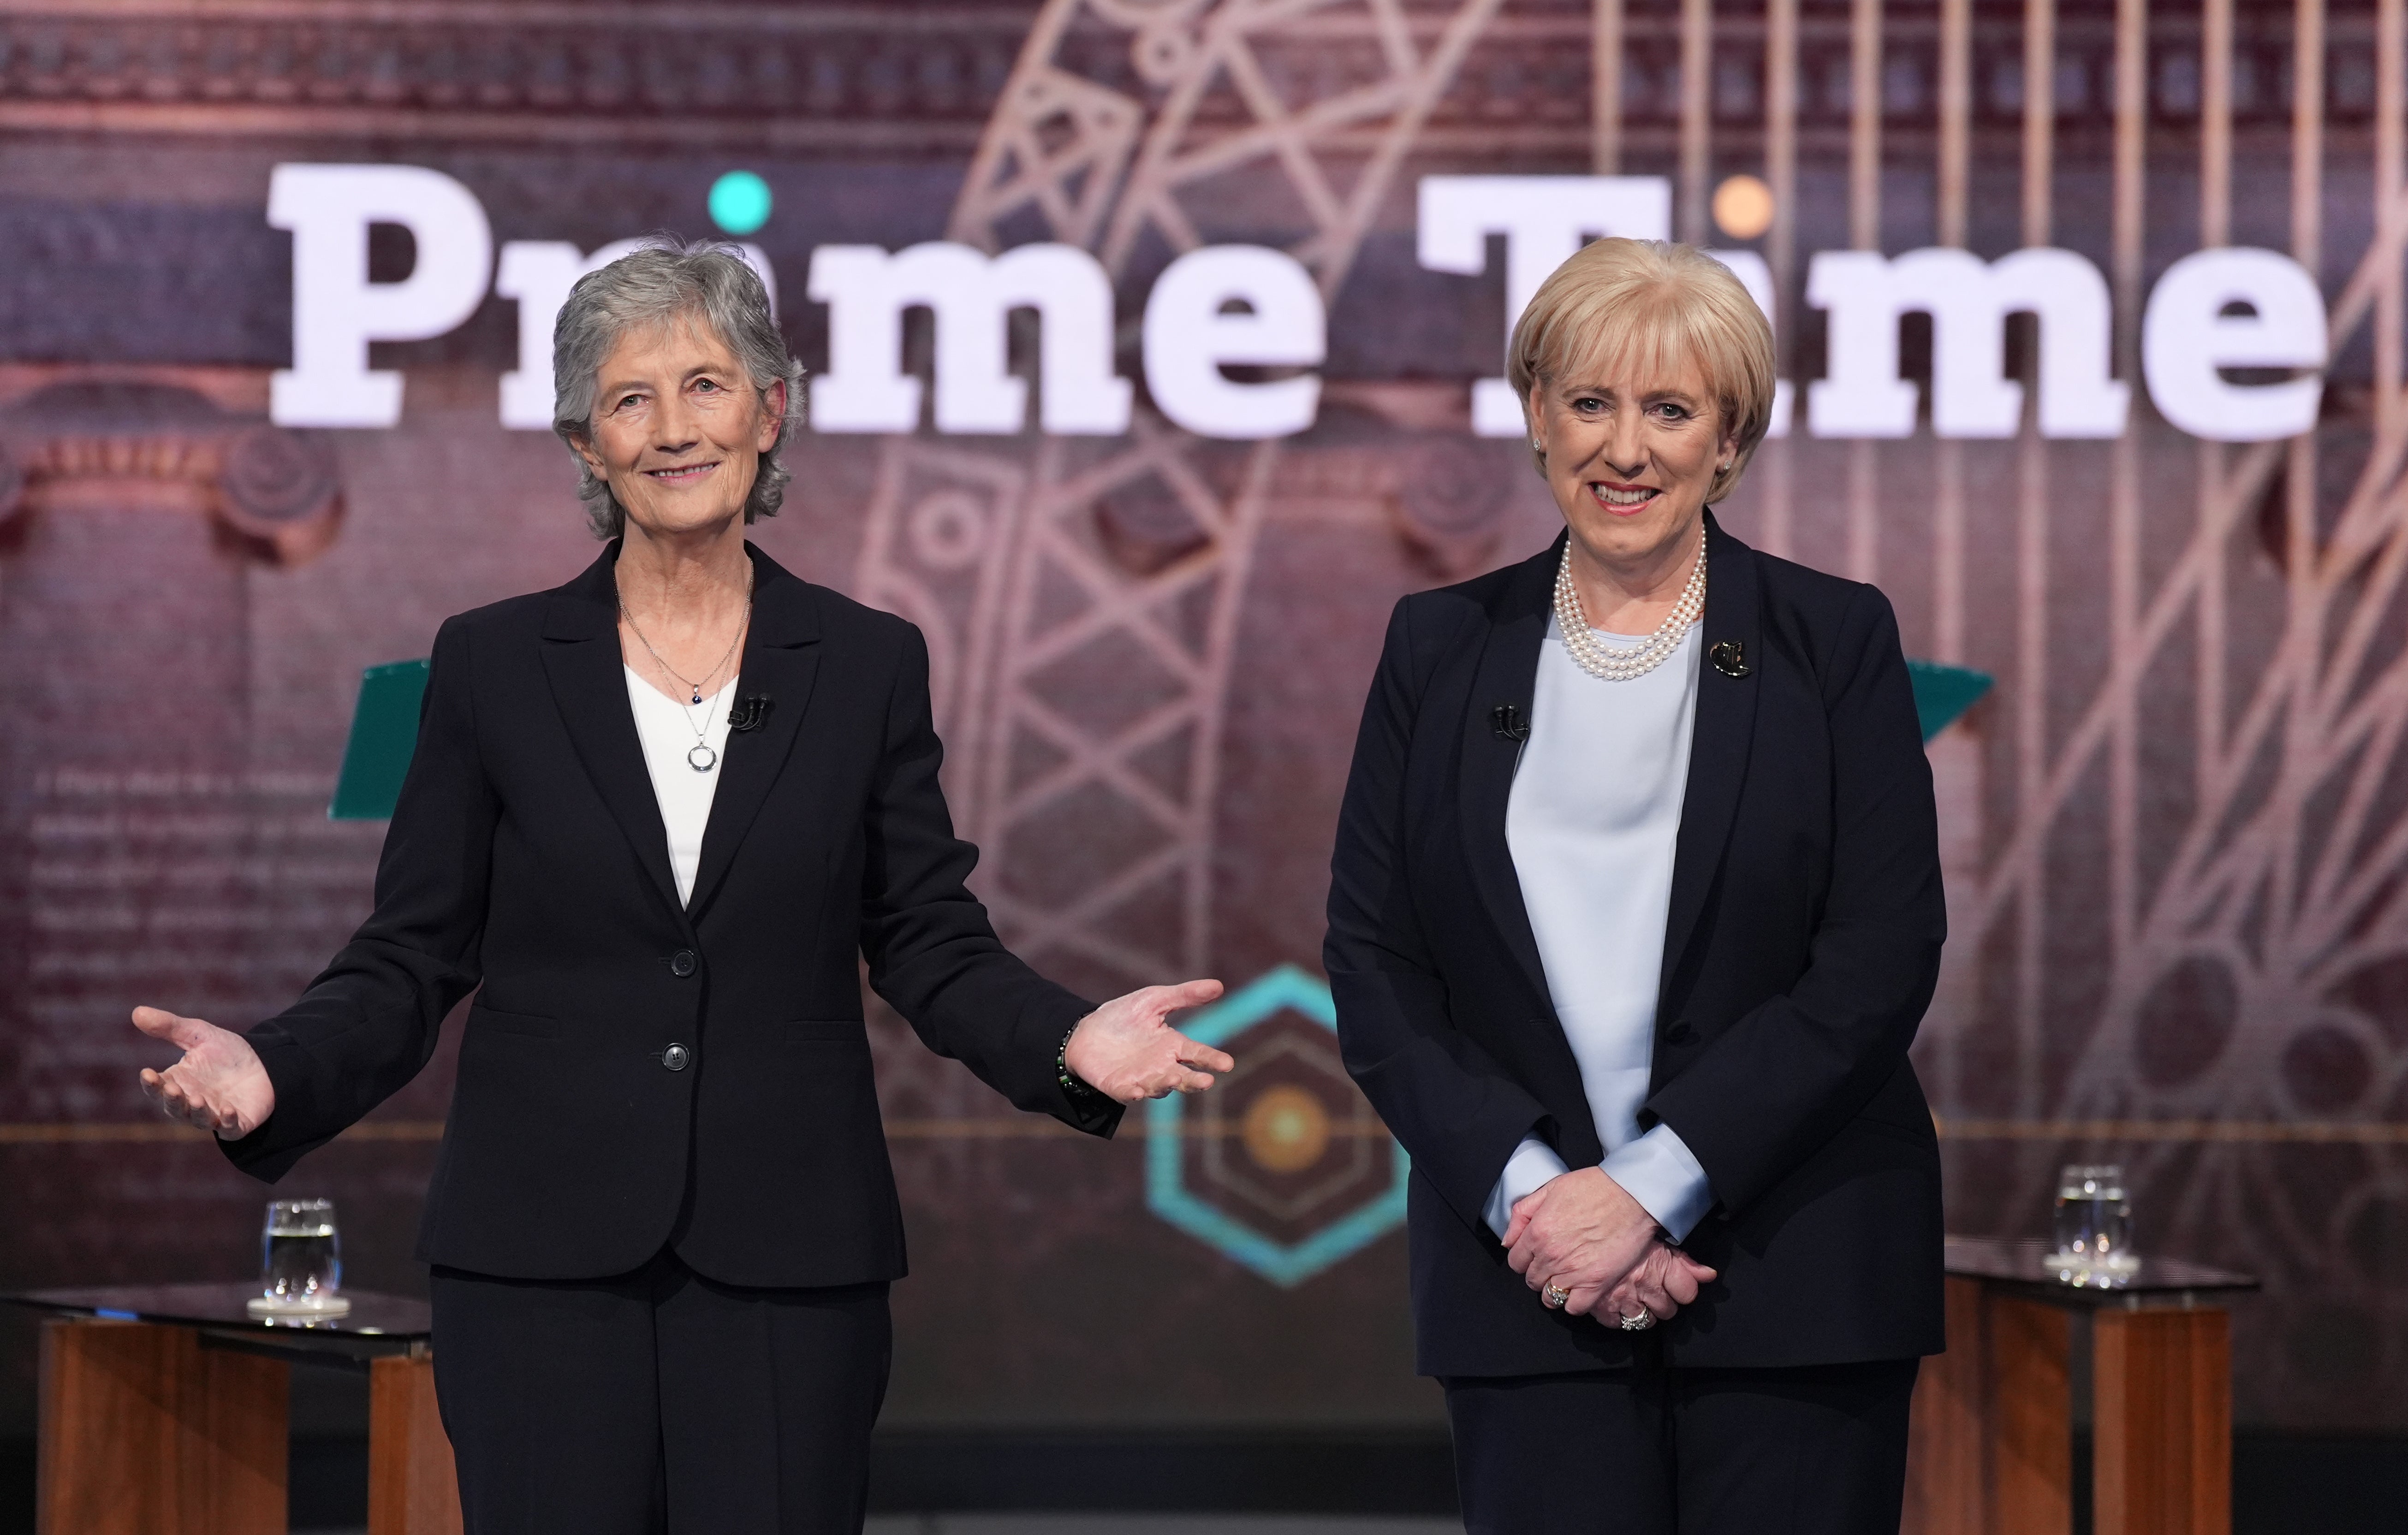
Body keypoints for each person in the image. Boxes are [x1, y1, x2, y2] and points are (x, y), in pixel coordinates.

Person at [132, 239, 1234, 1534]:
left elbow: (927, 939)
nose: (672, 429)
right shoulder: (491, 664)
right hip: (538, 1261)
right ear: (585, 445)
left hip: (787, 1261)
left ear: (772, 412)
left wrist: (1066, 1039)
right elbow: (411, 953)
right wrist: (277, 1072)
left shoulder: (867, 661)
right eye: (628, 398)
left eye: (706, 385)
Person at [1325, 237, 1945, 1533]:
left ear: (1730, 440)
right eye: (1592, 402)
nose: (1628, 447)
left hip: (1796, 1273)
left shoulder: (1833, 641)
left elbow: (1879, 957)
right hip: (1528, 1279)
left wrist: (1653, 1186)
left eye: (1671, 409)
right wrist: (1544, 1205)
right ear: (1537, 414)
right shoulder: (1438, 649)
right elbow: (1377, 967)